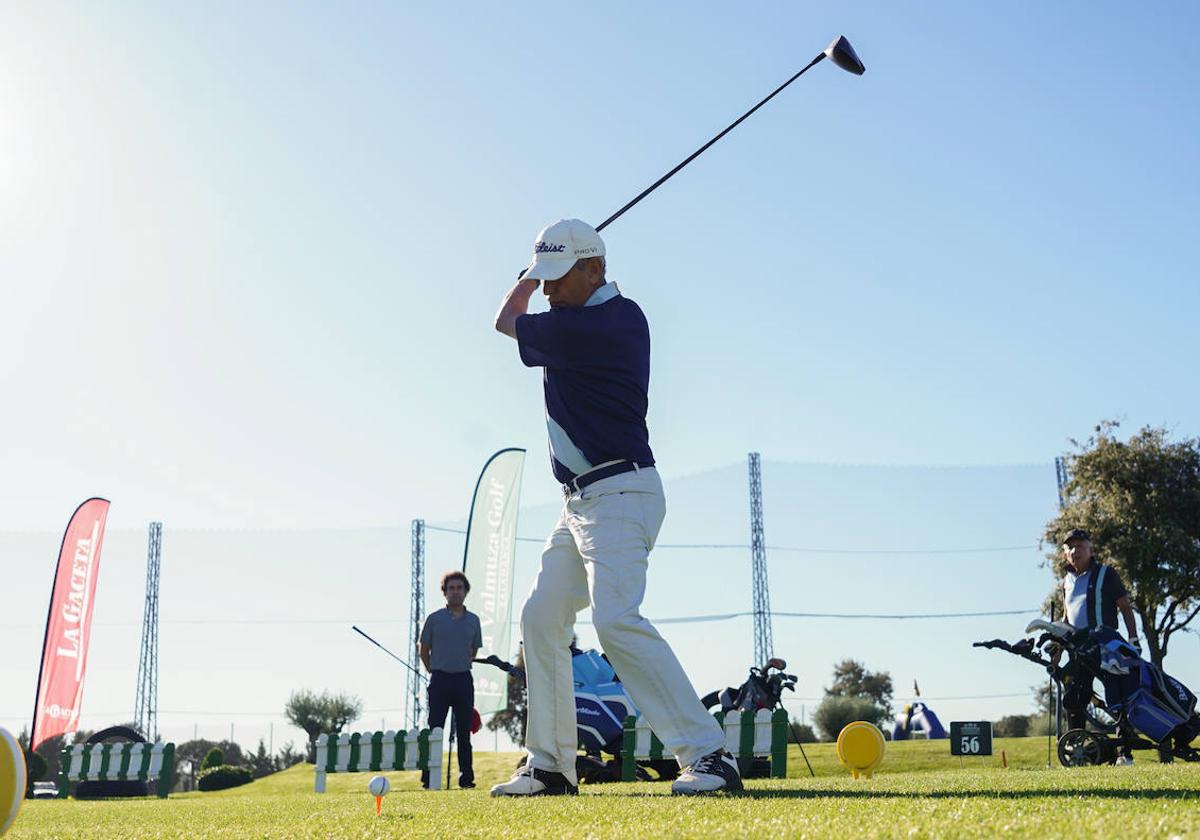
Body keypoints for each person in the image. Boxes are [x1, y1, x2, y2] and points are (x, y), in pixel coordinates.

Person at [489, 218, 740, 796]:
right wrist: (541, 272)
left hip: (622, 493)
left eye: (557, 277)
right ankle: (550, 766)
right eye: (543, 280)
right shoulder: (578, 316)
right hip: (581, 503)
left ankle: (710, 756)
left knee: (616, 619)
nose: (549, 289)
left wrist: (524, 280)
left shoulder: (613, 320)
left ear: (594, 269)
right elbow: (524, 319)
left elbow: (506, 321)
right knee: (542, 617)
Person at [1055, 528, 1141, 764]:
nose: (1075, 551)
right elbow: (1066, 617)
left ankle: (1125, 754)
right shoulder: (1066, 582)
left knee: (1118, 698)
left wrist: (1133, 640)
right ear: (1065, 554)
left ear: (1090, 549)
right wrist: (1057, 648)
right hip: (1077, 651)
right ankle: (1076, 751)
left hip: (1106, 648)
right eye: (1070, 547)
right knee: (1074, 699)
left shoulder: (1106, 574)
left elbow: (1124, 607)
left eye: (1080, 546)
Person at [419, 570, 482, 788]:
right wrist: (433, 670)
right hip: (440, 681)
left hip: (463, 680)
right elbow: (424, 650)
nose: (455, 592)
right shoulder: (434, 619)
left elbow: (472, 651)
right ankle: (428, 778)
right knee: (435, 729)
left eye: (459, 588)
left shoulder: (474, 621)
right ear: (444, 592)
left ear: (465, 592)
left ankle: (467, 779)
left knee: (464, 732)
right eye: (451, 588)